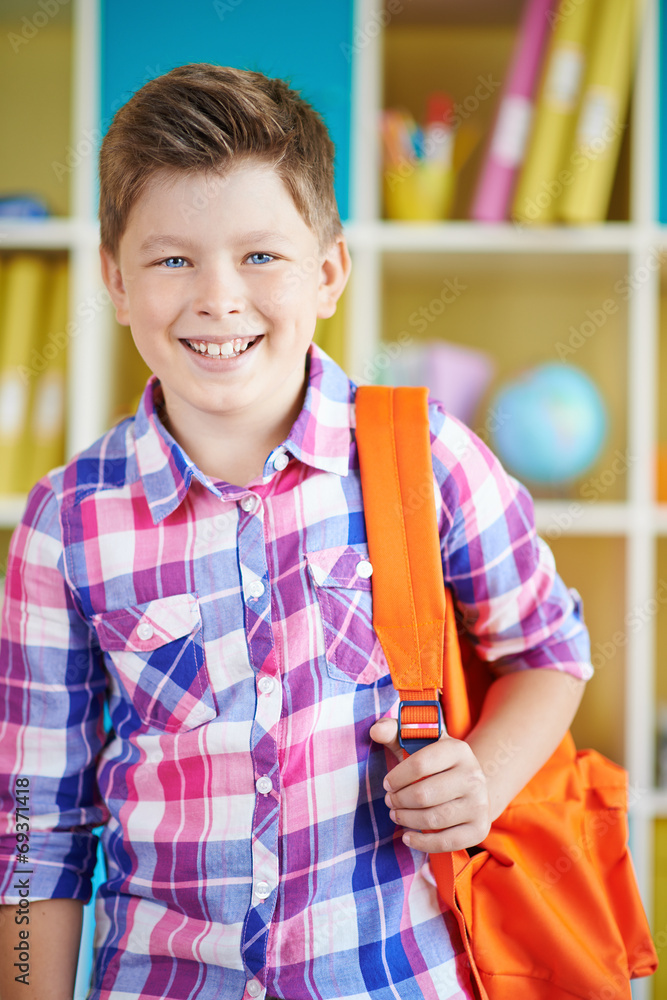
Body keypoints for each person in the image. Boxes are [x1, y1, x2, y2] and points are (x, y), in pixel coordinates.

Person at [0, 64, 590, 1000]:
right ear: (114, 280)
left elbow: (550, 648)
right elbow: (35, 826)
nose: (218, 298)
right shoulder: (65, 522)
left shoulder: (425, 455)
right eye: (171, 259)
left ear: (328, 272)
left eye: (260, 256)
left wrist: (482, 773)